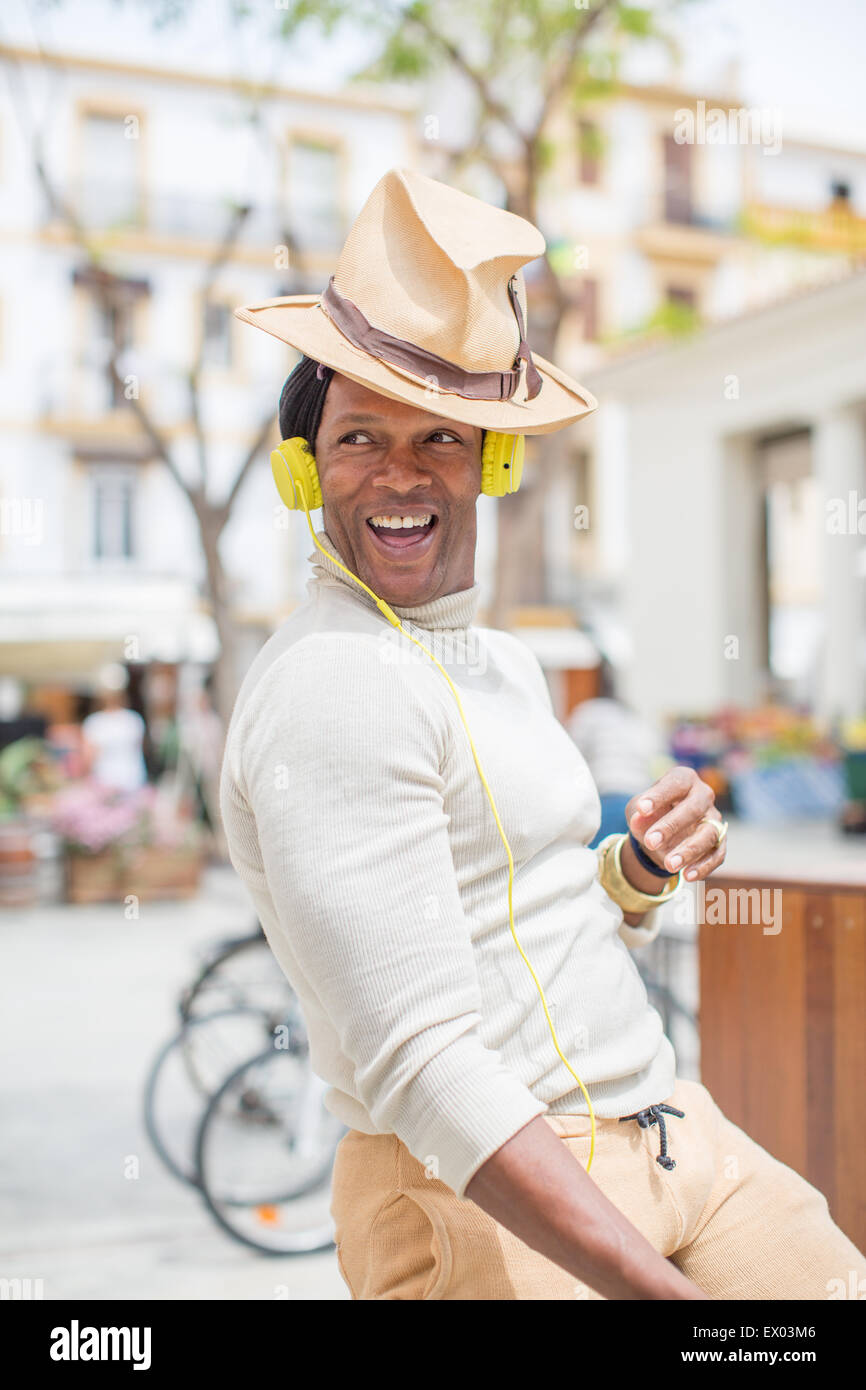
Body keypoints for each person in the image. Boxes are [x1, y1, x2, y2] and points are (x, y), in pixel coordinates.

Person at [219, 167, 866, 1300]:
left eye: (441, 437)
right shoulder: (329, 688)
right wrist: (655, 1296)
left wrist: (635, 869)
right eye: (361, 436)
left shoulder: (504, 662)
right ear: (301, 466)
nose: (401, 474)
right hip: (482, 1185)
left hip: (676, 1136)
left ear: (495, 461)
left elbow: (525, 918)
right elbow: (424, 1061)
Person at [567, 657, 665, 849]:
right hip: (641, 800)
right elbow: (654, 756)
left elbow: (570, 756)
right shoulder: (634, 718)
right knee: (629, 862)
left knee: (599, 861)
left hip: (607, 796)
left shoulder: (588, 712)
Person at [81, 680, 147, 794]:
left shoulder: (95, 721)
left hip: (108, 779)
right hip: (131, 777)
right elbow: (140, 748)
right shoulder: (134, 719)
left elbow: (89, 756)